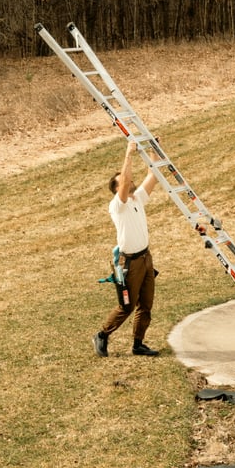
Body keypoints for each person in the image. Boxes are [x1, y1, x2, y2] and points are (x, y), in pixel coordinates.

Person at [93, 137, 160, 358]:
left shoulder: (137, 199)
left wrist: (154, 149)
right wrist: (129, 154)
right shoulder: (117, 205)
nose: (129, 181)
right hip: (129, 262)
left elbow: (153, 175)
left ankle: (138, 344)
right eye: (123, 180)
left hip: (145, 258)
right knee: (127, 306)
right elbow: (126, 180)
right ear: (117, 188)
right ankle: (102, 335)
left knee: (146, 304)